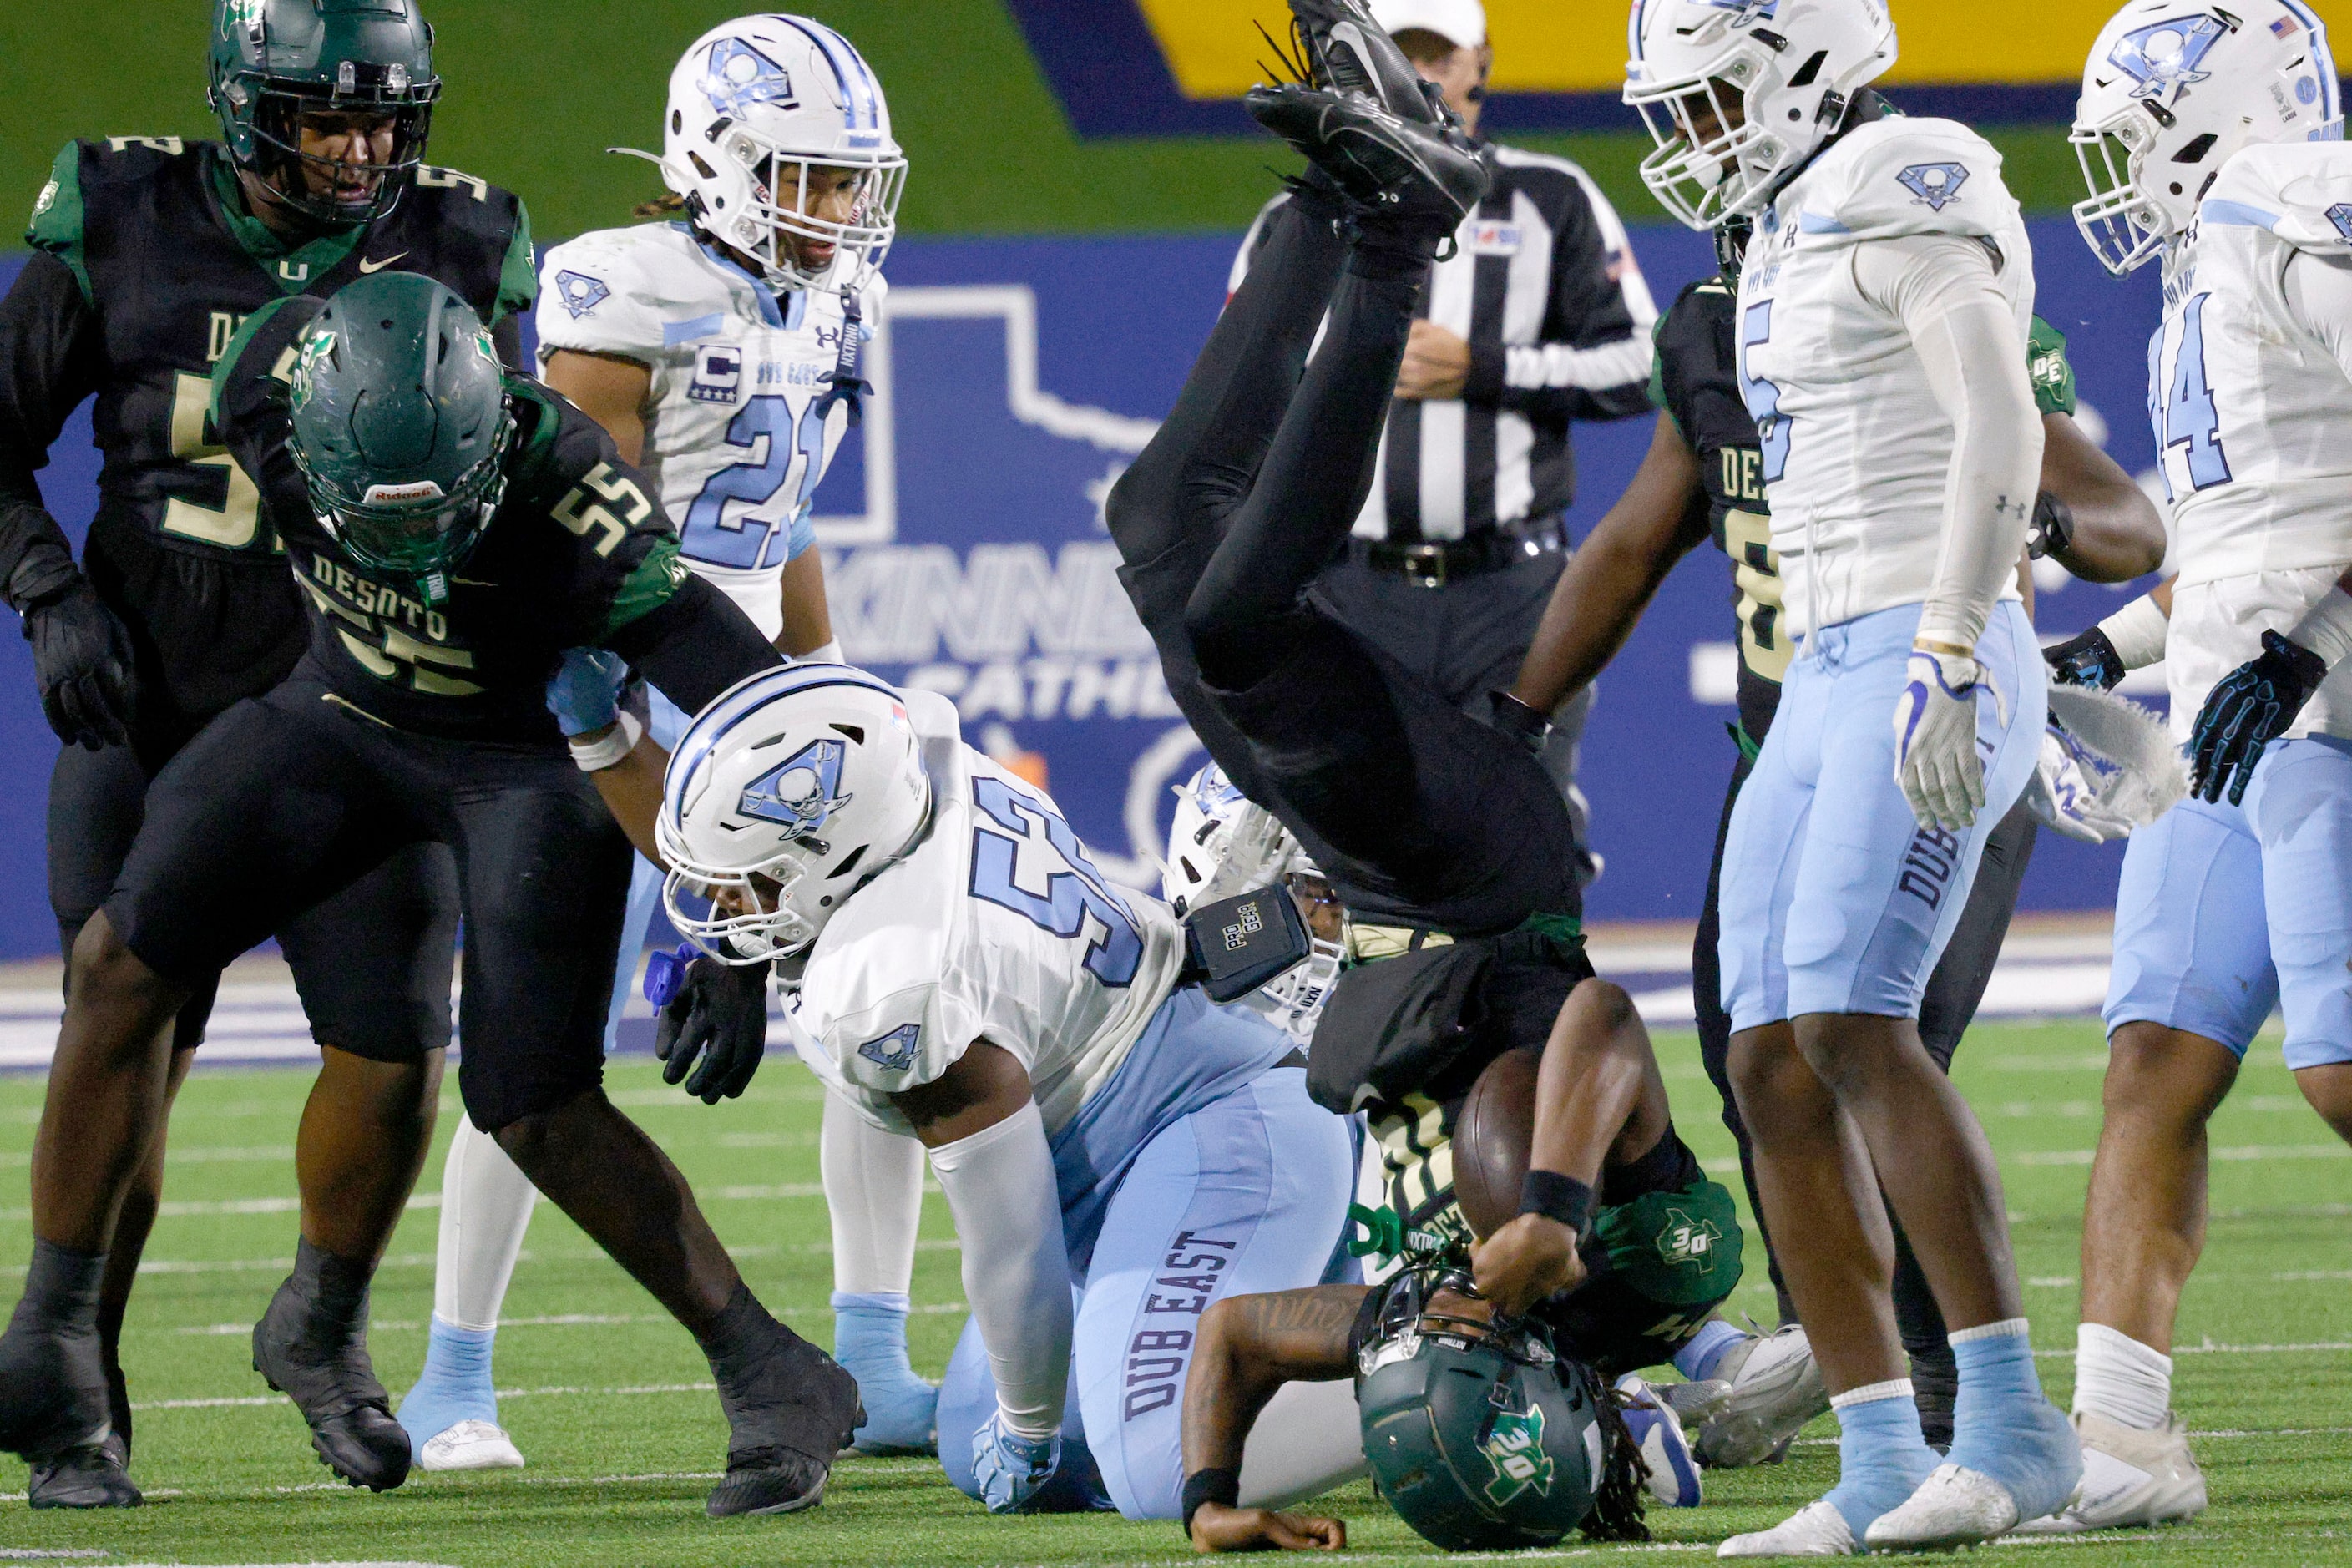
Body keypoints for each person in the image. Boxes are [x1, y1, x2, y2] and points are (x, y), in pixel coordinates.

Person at [0, 271, 866, 1520]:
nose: (404, 550)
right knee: (117, 961)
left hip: (518, 769)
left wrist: (740, 920)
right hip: (337, 713)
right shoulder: (263, 383)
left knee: (532, 1102)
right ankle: (58, 1340)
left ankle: (776, 1373)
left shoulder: (582, 506)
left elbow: (752, 709)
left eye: (437, 519)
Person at [1096, 1, 1748, 1545]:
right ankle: (1394, 229)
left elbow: (1238, 1338)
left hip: (1404, 887)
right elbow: (1596, 1018)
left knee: (1156, 528)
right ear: (1534, 1377)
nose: (1409, 1354)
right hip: (1479, 879)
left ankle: (1345, 204)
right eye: (1440, 1369)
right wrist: (1551, 1221)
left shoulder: (1409, 1310)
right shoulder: (1633, 1262)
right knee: (1241, 625)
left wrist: (1209, 1501)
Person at [1506, 197, 2165, 1463]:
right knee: (1757, 1059)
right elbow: (1639, 537)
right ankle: (1871, 1395)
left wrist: (2009, 509)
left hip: (1930, 733)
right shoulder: (1707, 329)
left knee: (1869, 1038)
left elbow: (2124, 521)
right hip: (1786, 752)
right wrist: (1511, 715)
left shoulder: (1920, 288)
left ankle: (1960, 1396)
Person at [0, 0, 532, 1507]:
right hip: (156, 705)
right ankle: (77, 1393)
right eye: (325, 116)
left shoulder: (468, 240)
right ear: (246, 109)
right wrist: (47, 592)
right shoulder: (121, 211)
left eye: (384, 116)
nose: (362, 146)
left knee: (390, 1046)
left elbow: (519, 460)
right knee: (130, 1031)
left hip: (363, 707)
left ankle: (324, 1321)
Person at [392, 13, 915, 1473]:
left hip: (751, 694)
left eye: (847, 180)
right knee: (536, 1051)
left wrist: (820, 682)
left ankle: (873, 1343)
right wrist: (660, 766)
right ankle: (452, 1372)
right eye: (806, 177)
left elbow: (788, 509)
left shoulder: (829, 300)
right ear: (715, 158)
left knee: (888, 996)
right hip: (608, 696)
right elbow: (588, 554)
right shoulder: (619, 291)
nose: (837, 211)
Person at [1623, 0, 2085, 1550]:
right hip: (1818, 659)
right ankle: (1881, 1451)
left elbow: (2000, 420)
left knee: (1851, 1021)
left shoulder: (1908, 166)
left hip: (1915, 628)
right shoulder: (1774, 228)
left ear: (1798, 58)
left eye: (1706, 102)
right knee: (1762, 1057)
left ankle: (2014, 1426)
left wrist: (1955, 640)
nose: (1688, 141)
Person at [648, 660, 1356, 1520]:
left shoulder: (893, 981)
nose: (723, 901)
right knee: (976, 1439)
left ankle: (1480, 1363)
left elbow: (1014, 1239)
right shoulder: (921, 764)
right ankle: (1308, 1314)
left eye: (748, 875)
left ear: (828, 853)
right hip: (1129, 1151)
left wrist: (1026, 1427)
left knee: (1158, 1466)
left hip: (1219, 1124)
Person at [2016, 0, 2352, 1533]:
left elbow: (2299, 577)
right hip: (2232, 725)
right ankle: (2126, 1436)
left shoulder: (2299, 206)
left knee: (2340, 1075)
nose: (2113, 168)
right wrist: (2103, 650)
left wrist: (2309, 644)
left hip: (2330, 716)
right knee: (2154, 1053)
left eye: (2129, 126)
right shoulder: (2201, 265)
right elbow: (2231, 551)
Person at [1227, 0, 1654, 881]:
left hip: (1510, 590)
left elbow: (1645, 365)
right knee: (1337, 859)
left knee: (1524, 841)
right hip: (1347, 587)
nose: (1418, 77)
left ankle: (1534, 1021)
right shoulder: (1299, 216)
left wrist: (1483, 368)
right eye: (1397, 54)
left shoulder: (1549, 198)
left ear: (1481, 65)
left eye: (1436, 55)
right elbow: (1234, 395)